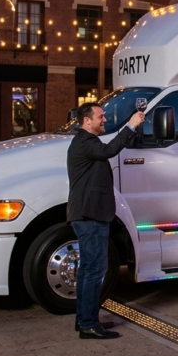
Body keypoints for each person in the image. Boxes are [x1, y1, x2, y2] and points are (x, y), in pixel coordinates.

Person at [66, 102, 144, 340]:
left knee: (89, 270)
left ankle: (85, 320)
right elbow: (110, 150)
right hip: (90, 216)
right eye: (100, 117)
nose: (105, 120)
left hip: (89, 214)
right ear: (87, 121)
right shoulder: (86, 143)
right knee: (94, 270)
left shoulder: (86, 142)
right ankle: (88, 324)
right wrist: (130, 125)